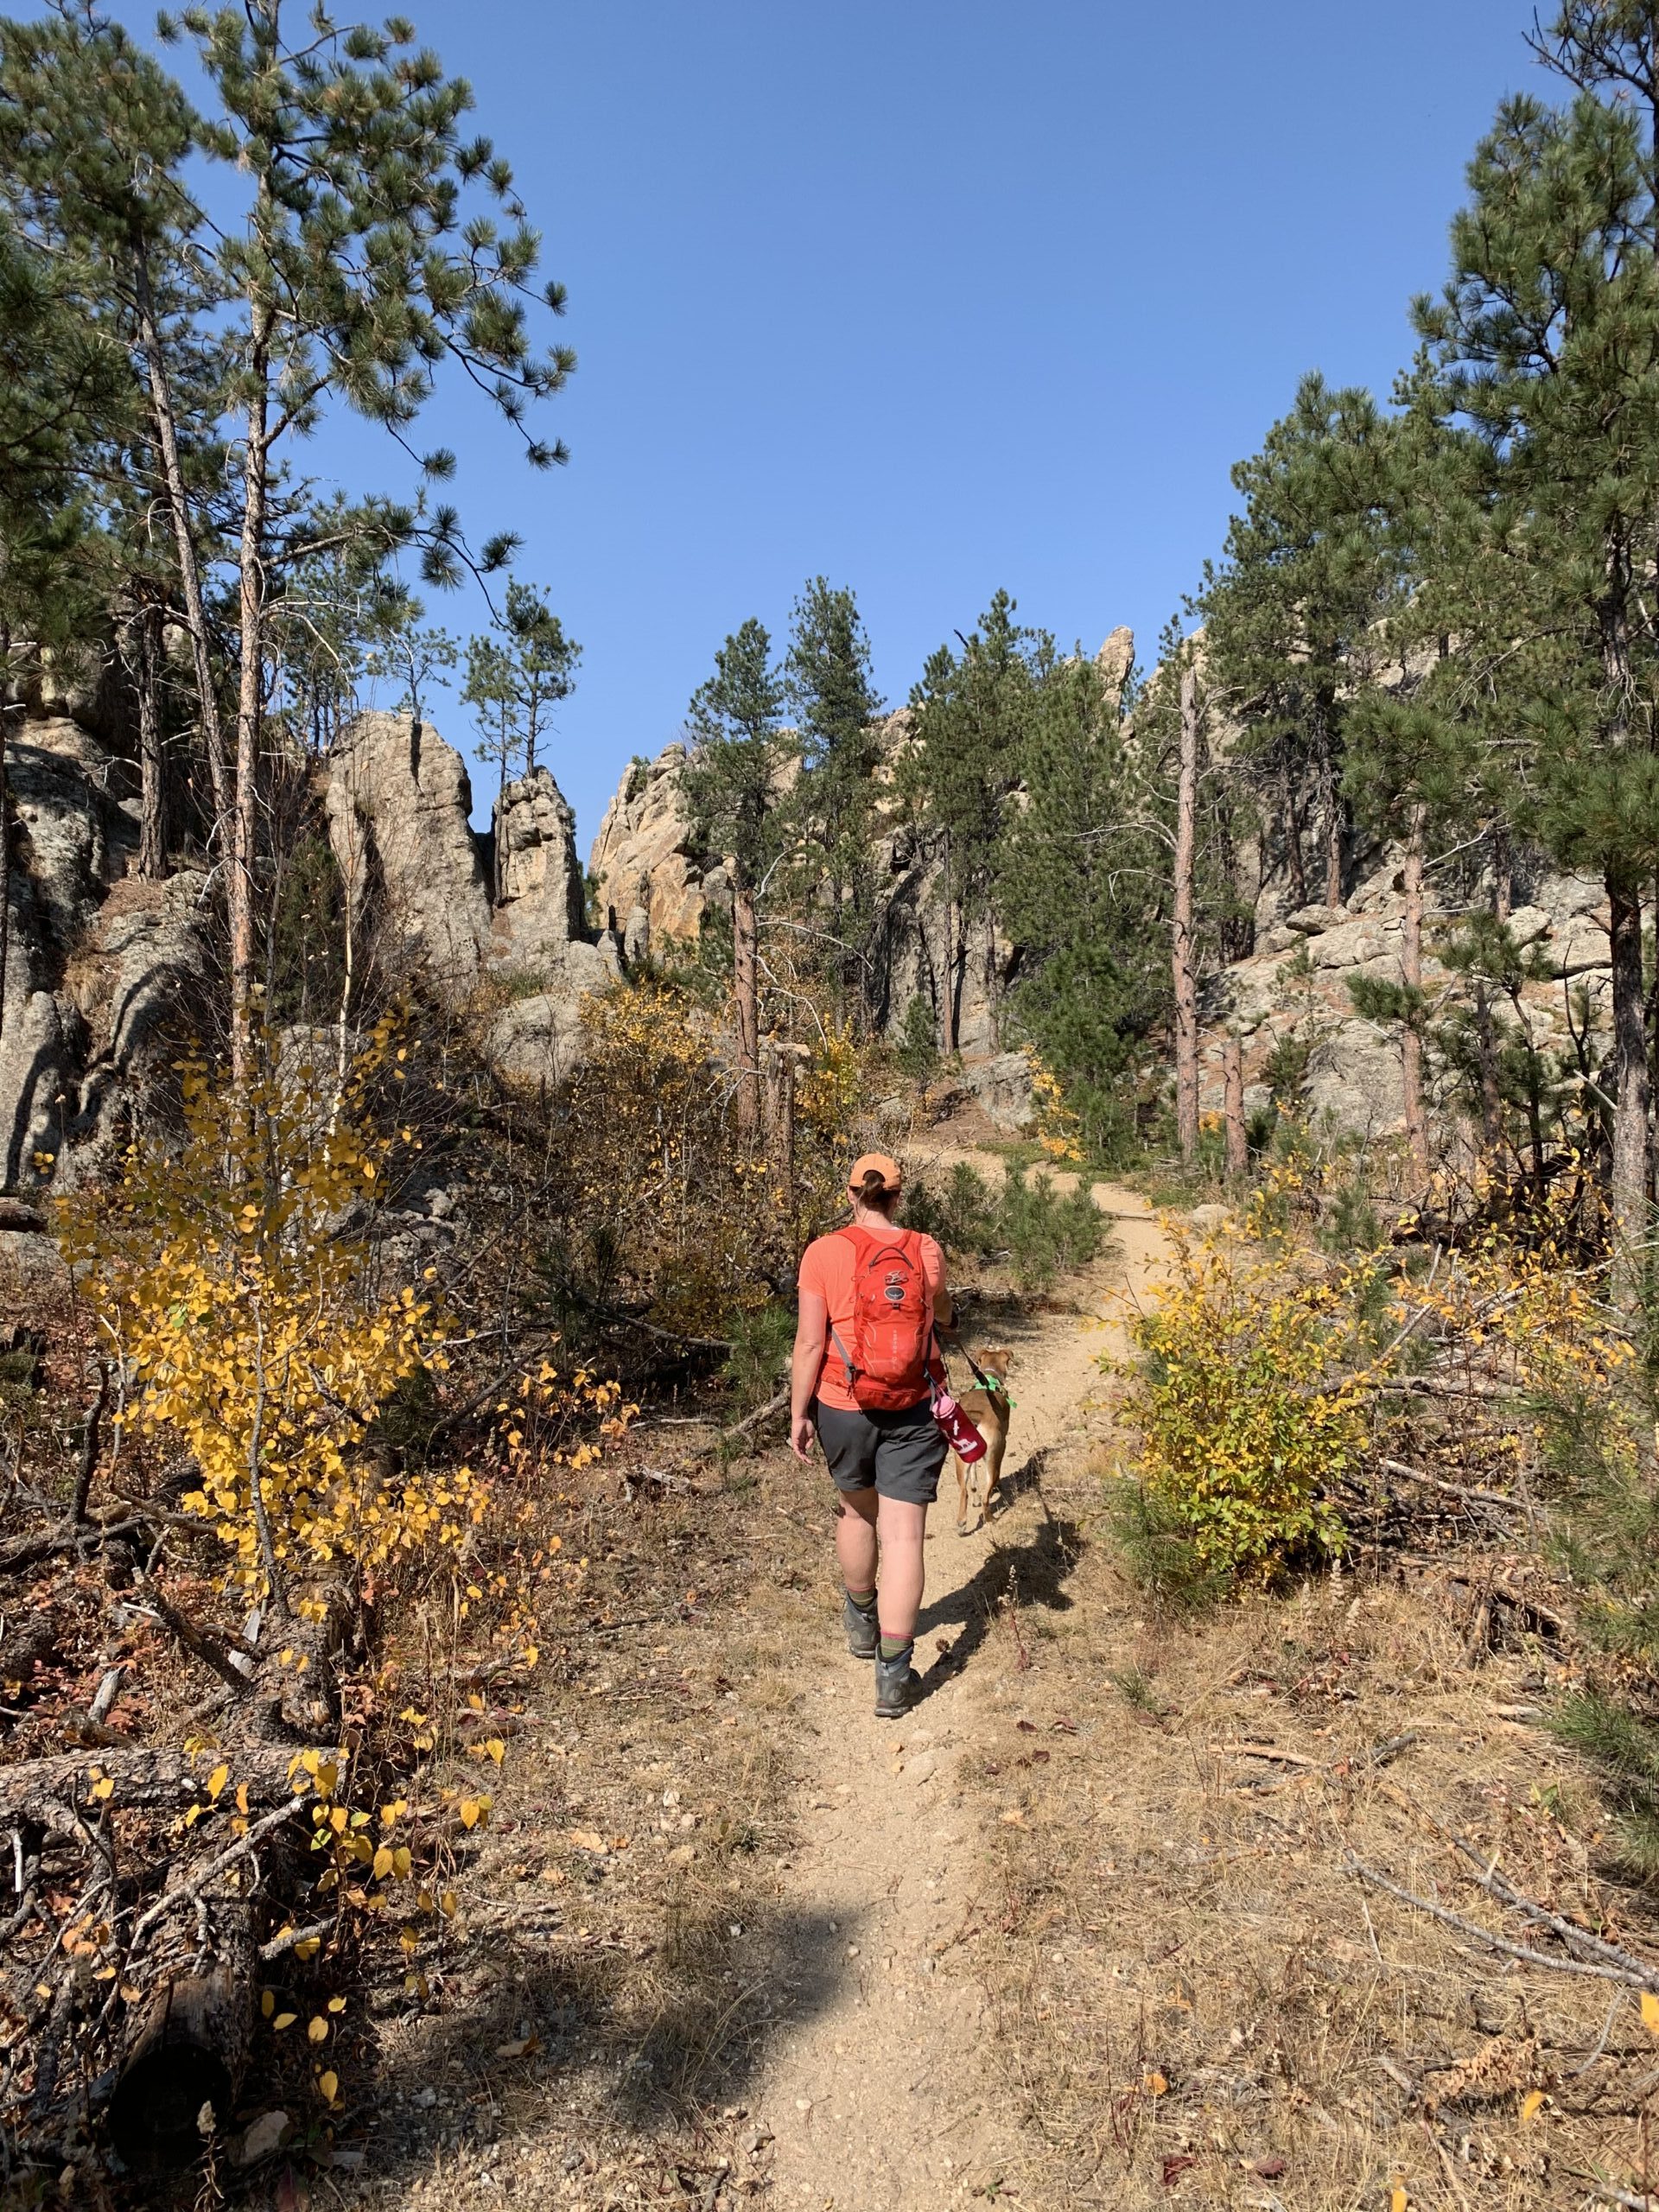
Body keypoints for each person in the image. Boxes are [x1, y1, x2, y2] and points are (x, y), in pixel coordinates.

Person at [790, 1152, 952, 1718]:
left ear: (851, 1192)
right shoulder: (926, 1250)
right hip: (914, 1405)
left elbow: (810, 1343)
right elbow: (941, 1318)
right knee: (905, 1538)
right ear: (898, 1195)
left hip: (842, 1403)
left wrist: (798, 1413)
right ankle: (894, 1676)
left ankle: (862, 1618)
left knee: (858, 1513)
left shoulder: (823, 1252)